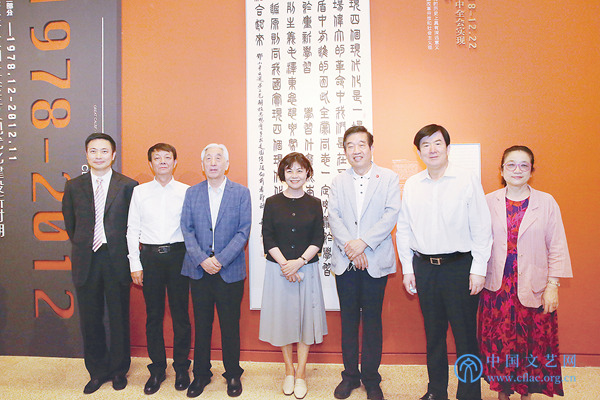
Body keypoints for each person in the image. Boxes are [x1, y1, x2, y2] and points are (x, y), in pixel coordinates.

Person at [396, 124, 492, 400]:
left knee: (465, 337)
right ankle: (436, 391)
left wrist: (478, 269)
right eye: (425, 145)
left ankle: (469, 395)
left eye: (437, 143)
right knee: (434, 334)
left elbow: (482, 227)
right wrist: (408, 269)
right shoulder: (413, 185)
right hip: (425, 268)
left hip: (459, 267)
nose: (432, 149)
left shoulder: (466, 179)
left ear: (448, 148)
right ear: (419, 152)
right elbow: (404, 229)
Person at [479, 146, 573, 400]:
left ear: (532, 170)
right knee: (500, 341)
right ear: (501, 170)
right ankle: (503, 391)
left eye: (524, 165)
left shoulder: (546, 202)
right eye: (511, 164)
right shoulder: (487, 201)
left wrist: (553, 285)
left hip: (534, 285)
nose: (517, 170)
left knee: (531, 342)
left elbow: (557, 245)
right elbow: (478, 242)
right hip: (497, 287)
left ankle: (526, 392)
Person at [62, 132, 138, 394]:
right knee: (90, 319)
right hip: (87, 258)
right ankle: (97, 371)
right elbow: (70, 223)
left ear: (113, 155)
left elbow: (133, 225)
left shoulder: (128, 185)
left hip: (116, 258)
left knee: (118, 317)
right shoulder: (74, 186)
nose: (98, 156)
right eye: (93, 151)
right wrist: (85, 243)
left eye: (104, 151)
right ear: (86, 154)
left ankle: (118, 370)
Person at [328, 126, 401, 400]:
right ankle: (350, 376)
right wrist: (352, 247)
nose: (356, 150)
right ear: (345, 150)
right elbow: (334, 217)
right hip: (346, 260)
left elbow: (391, 214)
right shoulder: (338, 181)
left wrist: (364, 243)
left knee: (372, 321)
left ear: (371, 148)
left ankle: (371, 378)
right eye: (350, 145)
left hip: (375, 259)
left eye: (361, 144)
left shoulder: (389, 178)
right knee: (348, 320)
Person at [180, 143, 251, 398]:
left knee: (230, 325)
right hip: (199, 270)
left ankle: (232, 373)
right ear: (202, 165)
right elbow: (186, 229)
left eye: (218, 158)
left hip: (229, 270)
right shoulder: (192, 193)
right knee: (202, 325)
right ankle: (201, 374)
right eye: (208, 158)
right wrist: (202, 259)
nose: (213, 162)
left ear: (226, 164)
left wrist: (220, 260)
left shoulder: (241, 193)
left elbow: (243, 231)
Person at [259, 152, 327, 399]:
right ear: (282, 174)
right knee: (283, 320)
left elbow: (318, 237)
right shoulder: (272, 202)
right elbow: (268, 237)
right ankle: (288, 370)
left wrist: (298, 263)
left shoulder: (315, 203)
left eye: (300, 170)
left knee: (305, 321)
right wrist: (285, 265)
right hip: (278, 270)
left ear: (307, 173)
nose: (295, 175)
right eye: (290, 170)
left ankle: (301, 373)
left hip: (306, 269)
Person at [126, 143, 191, 394]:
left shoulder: (186, 191)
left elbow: (192, 228)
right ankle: (157, 369)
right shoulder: (140, 192)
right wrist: (135, 263)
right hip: (150, 258)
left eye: (167, 157)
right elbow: (132, 229)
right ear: (150, 163)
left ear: (175, 162)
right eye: (157, 158)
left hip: (179, 257)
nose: (162, 161)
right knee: (153, 316)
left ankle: (182, 367)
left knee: (180, 315)